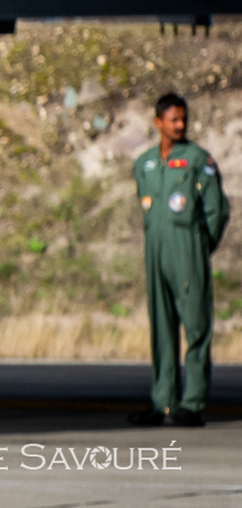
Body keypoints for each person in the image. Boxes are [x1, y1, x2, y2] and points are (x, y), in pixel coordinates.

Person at [128, 92, 228, 429]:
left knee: (196, 326)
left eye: (183, 119)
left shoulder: (199, 160)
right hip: (155, 251)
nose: (180, 125)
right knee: (161, 327)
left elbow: (217, 211)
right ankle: (163, 401)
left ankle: (192, 402)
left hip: (188, 248)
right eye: (173, 119)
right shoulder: (144, 164)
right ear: (158, 122)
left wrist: (200, 247)